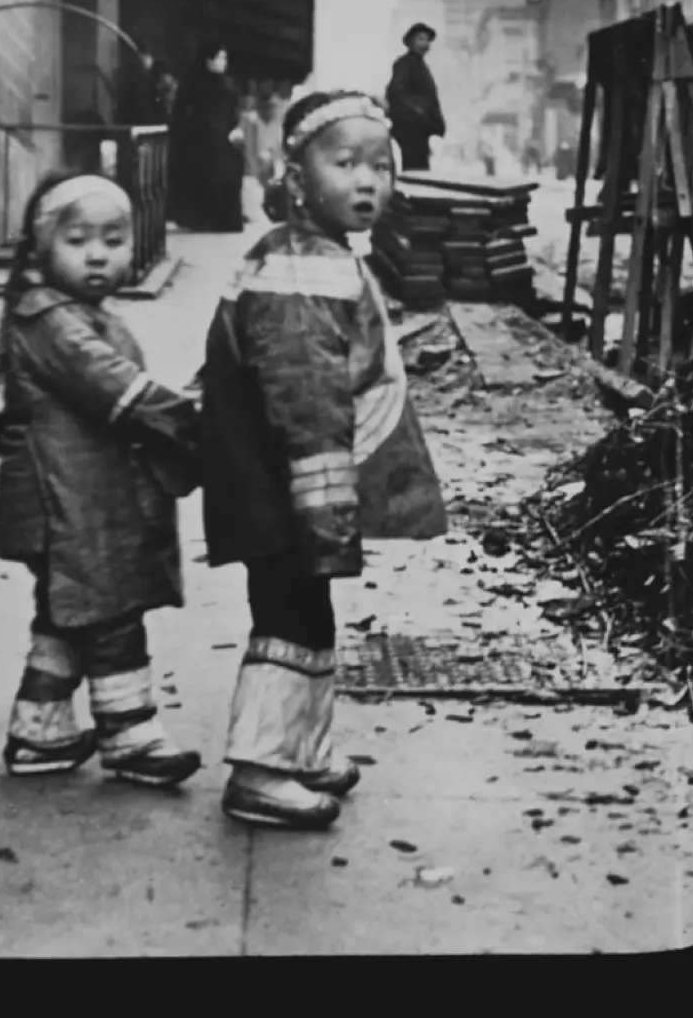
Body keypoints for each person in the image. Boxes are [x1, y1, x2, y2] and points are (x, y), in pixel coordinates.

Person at [200, 90, 448, 830]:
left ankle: (301, 750)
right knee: (288, 622)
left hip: (280, 487)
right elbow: (306, 409)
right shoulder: (304, 274)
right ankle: (261, 771)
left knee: (306, 615)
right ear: (298, 178)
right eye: (344, 163)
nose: (366, 181)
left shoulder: (315, 254)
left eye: (380, 165)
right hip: (286, 490)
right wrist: (326, 512)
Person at [0, 170, 203, 787]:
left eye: (113, 238)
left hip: (78, 496)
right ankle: (130, 734)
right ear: (41, 246)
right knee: (110, 609)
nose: (99, 253)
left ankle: (40, 729)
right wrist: (191, 423)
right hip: (67, 501)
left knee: (67, 613)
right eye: (79, 239)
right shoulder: (52, 321)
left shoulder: (69, 311)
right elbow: (114, 385)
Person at [167, 38, 245, 232]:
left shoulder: (227, 85)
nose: (223, 62)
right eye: (219, 58)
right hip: (199, 145)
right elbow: (182, 115)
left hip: (220, 143)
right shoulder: (193, 84)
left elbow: (232, 113)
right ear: (208, 60)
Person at [385, 22, 447, 171]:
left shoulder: (422, 66)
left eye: (427, 40)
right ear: (411, 42)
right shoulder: (403, 64)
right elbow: (395, 92)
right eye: (420, 39)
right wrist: (417, 112)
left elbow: (432, 99)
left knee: (421, 168)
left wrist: (437, 123)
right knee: (415, 170)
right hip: (410, 129)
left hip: (422, 130)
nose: (424, 43)